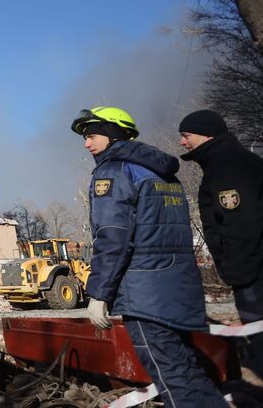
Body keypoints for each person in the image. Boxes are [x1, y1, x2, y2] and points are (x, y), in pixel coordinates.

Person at [71, 106, 227, 408]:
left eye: (91, 136)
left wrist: (99, 293)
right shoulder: (161, 172)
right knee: (185, 371)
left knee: (172, 379)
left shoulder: (113, 172)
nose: (86, 144)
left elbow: (113, 236)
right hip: (177, 288)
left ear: (112, 133)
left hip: (144, 295)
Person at [178, 109, 263, 378]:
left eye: (186, 135)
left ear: (206, 134)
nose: (182, 142)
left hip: (253, 274)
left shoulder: (227, 166)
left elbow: (240, 224)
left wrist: (238, 272)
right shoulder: (227, 161)